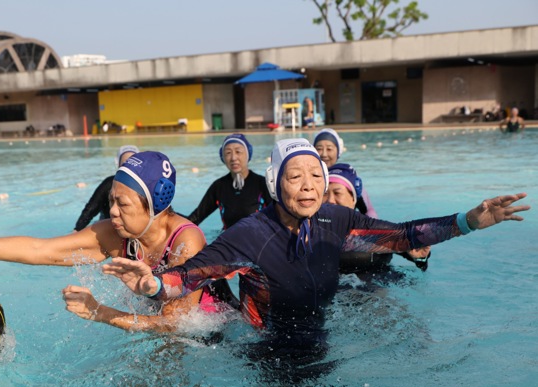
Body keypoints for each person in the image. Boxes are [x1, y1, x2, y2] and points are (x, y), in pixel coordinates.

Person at [101, 138, 529, 342]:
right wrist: (153, 285)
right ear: (275, 183)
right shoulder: (249, 234)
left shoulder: (335, 219)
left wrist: (468, 221)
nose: (307, 185)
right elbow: (191, 276)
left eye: (314, 176)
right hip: (265, 344)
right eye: (295, 176)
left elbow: (402, 236)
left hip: (319, 334)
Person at [0, 151, 233, 333]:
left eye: (122, 204)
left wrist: (101, 313)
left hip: (211, 334)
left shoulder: (186, 241)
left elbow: (175, 325)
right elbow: (40, 250)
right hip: (155, 322)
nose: (112, 212)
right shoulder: (117, 233)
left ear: (155, 204)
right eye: (111, 201)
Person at [325, 163, 431, 273]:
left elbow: (420, 263)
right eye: (325, 194)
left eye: (337, 193)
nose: (330, 200)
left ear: (353, 199)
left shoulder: (373, 232)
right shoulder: (314, 231)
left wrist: (420, 257)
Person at [187, 134, 272, 230]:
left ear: (248, 153)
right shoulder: (219, 187)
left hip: (259, 238)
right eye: (228, 153)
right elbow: (196, 217)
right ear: (222, 157)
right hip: (228, 238)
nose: (233, 158)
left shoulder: (262, 184)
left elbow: (279, 218)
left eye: (238, 152)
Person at [313, 128, 378, 217]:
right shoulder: (308, 180)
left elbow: (369, 212)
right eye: (319, 149)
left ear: (338, 152)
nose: (324, 154)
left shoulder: (349, 179)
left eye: (329, 149)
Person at [73, 145, 139, 232]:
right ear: (118, 165)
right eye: (126, 164)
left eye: (133, 164)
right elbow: (91, 209)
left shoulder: (145, 187)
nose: (129, 169)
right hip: (108, 227)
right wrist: (77, 230)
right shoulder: (108, 185)